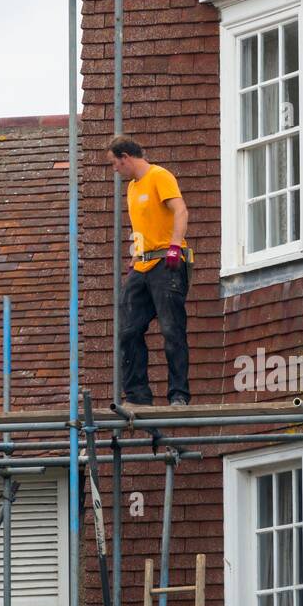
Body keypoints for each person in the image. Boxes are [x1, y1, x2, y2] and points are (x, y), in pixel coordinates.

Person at [108, 135, 193, 407]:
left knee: (171, 329)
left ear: (125, 157)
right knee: (127, 329)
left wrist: (174, 246)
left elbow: (180, 210)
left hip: (165, 263)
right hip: (142, 263)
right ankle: (137, 396)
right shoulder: (132, 188)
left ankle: (178, 394)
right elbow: (139, 227)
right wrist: (134, 256)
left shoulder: (160, 176)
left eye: (115, 164)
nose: (115, 170)